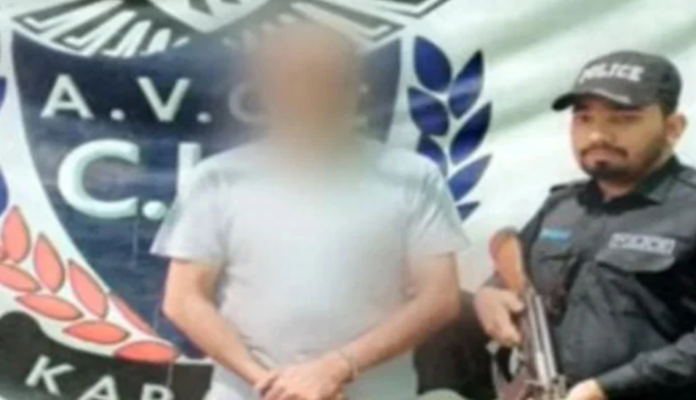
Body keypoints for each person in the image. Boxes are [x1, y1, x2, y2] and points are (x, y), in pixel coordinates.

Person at [151, 23, 467, 400]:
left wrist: (338, 367)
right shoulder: (217, 179)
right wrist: (271, 384)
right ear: (266, 90)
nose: (312, 92)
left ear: (356, 89)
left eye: (330, 78)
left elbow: (439, 297)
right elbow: (183, 300)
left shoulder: (413, 177)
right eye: (295, 78)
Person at [475, 51, 696, 400]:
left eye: (623, 119)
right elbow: (514, 271)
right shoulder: (561, 206)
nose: (596, 135)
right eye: (584, 117)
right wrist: (488, 296)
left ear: (673, 128)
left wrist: (607, 388)